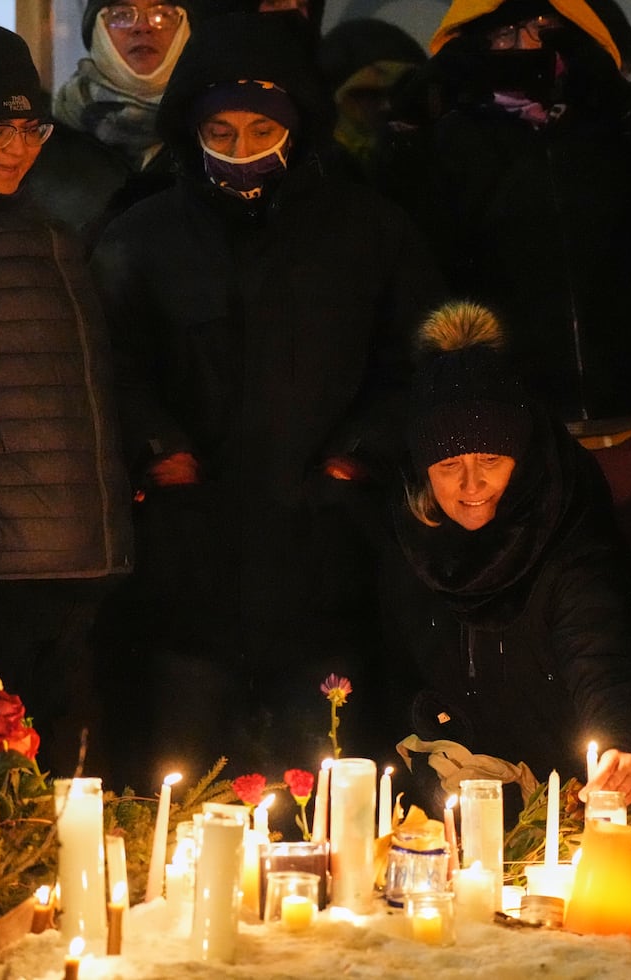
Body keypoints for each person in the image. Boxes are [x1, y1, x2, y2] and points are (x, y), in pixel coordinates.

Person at [89, 11, 445, 786]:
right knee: (182, 784)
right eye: (221, 131)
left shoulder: (370, 234)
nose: (242, 153)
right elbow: (112, 361)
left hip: (326, 556)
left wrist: (356, 459)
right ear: (192, 130)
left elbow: (414, 362)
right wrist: (161, 451)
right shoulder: (140, 237)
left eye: (260, 131)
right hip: (188, 560)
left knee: (325, 784)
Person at [375, 0, 631, 633]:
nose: (523, 45)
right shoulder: (448, 148)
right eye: (501, 33)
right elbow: (415, 286)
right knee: (556, 633)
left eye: (542, 28)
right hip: (525, 451)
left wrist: (625, 109)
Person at [366, 300, 631, 817]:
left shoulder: (566, 538)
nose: (470, 486)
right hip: (454, 803)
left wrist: (622, 744)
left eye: (490, 459)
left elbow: (602, 657)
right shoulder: (409, 543)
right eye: (448, 465)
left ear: (522, 457)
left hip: (570, 801)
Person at [0, 25, 134, 778]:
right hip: (3, 574)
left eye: (28, 127)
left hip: (75, 564)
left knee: (72, 795)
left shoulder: (50, 233)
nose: (15, 148)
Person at [26, 0, 197, 244]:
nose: (142, 27)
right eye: (122, 14)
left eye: (162, 14)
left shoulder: (215, 137)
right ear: (97, 31)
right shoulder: (38, 142)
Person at [317, 18, 427, 181]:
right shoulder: (316, 175)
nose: (386, 106)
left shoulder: (437, 161)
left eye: (400, 92)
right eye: (369, 94)